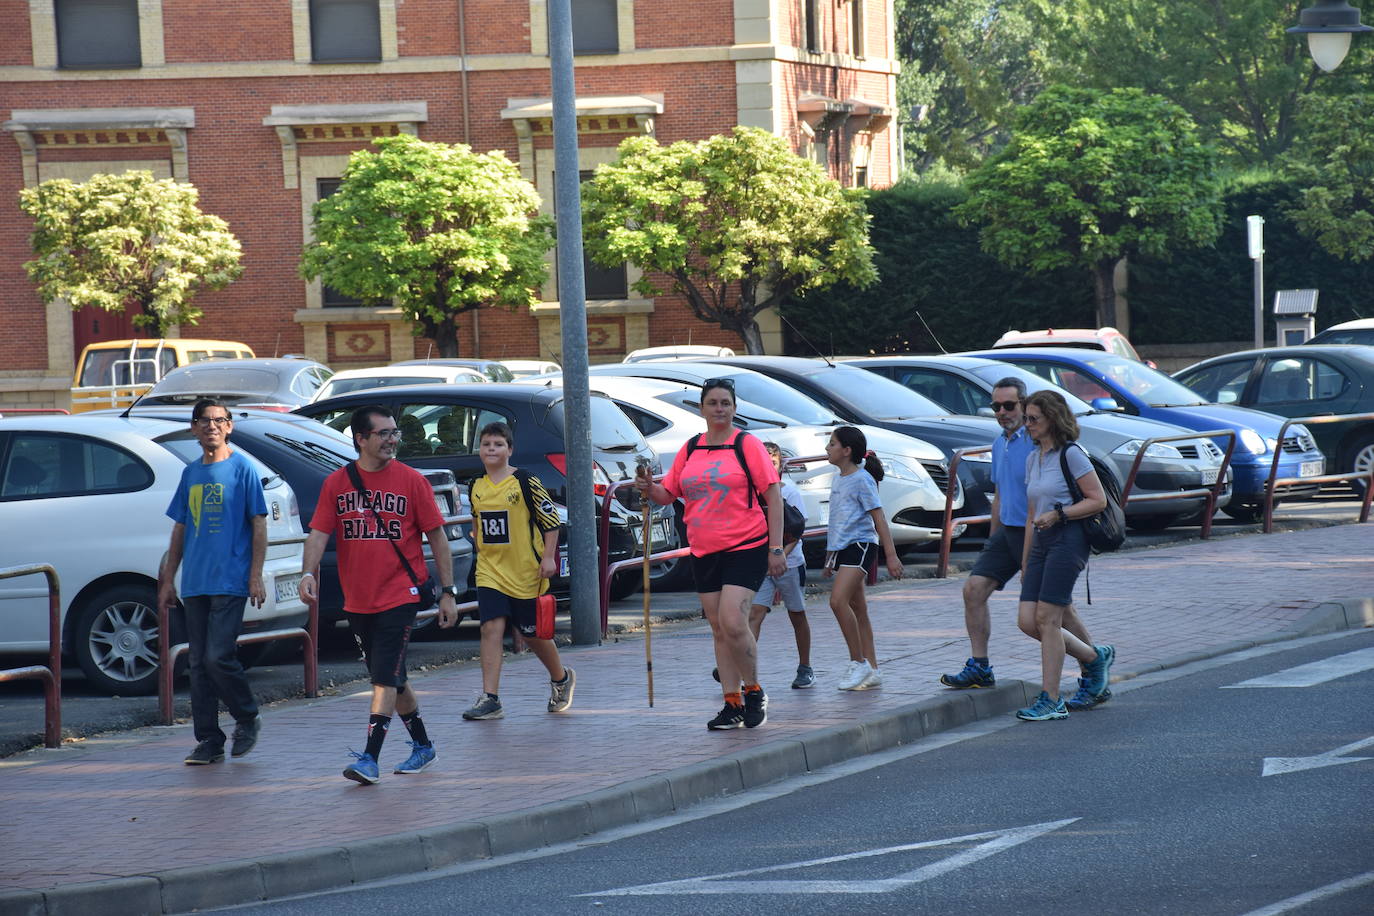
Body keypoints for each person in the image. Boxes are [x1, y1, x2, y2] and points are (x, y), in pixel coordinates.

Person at [299, 405, 459, 783]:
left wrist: (448, 592)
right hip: (358, 599)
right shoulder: (337, 484)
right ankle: (423, 746)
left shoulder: (411, 481)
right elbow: (319, 533)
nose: (392, 440)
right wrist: (307, 572)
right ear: (361, 438)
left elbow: (438, 536)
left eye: (394, 433)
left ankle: (369, 758)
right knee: (393, 675)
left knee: (383, 678)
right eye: (383, 433)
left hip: (400, 594)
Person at [636, 378, 786, 730]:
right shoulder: (691, 448)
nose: (719, 409)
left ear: (734, 408)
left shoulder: (746, 445)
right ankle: (731, 702)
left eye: (725, 403)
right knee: (719, 628)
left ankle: (754, 692)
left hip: (745, 545)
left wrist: (776, 547)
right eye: (713, 403)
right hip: (704, 548)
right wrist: (648, 487)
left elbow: (774, 497)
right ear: (701, 409)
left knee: (734, 621)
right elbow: (668, 494)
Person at [940, 379, 1095, 693]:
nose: (1001, 412)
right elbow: (1000, 493)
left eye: (1009, 405)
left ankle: (1091, 668)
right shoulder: (1001, 443)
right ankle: (980, 666)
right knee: (973, 590)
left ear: (1025, 406)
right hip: (1008, 532)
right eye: (996, 406)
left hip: (1043, 532)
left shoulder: (1038, 440)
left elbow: (1052, 496)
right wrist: (993, 537)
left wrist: (1044, 531)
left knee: (1058, 611)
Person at [159, 399, 266, 766]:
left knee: (219, 657)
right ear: (194, 428)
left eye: (219, 420)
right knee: (199, 665)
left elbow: (258, 524)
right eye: (204, 421)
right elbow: (180, 528)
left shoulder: (242, 469)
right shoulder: (190, 473)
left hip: (231, 580)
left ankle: (247, 716)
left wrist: (255, 575)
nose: (212, 427)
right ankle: (209, 740)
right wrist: (168, 578)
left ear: (230, 427)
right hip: (195, 583)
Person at [456, 421, 574, 720]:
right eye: (486, 445)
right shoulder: (476, 485)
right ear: (479, 450)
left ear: (509, 449)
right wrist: (478, 544)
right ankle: (490, 698)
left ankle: (561, 678)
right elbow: (476, 520)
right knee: (490, 628)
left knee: (532, 634)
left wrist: (549, 558)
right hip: (490, 571)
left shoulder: (525, 481)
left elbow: (551, 522)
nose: (491, 449)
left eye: (498, 444)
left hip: (526, 572)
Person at [1015, 390, 1116, 721]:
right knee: (1028, 622)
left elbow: (1097, 499)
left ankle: (1052, 698)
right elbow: (1032, 512)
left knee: (1048, 619)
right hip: (1042, 541)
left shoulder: (1070, 454)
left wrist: (1060, 515)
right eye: (1026, 418)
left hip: (1068, 539)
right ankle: (1093, 657)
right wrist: (1025, 561)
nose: (1026, 424)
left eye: (1033, 419)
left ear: (1053, 419)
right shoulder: (1034, 458)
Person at [823, 426, 903, 691]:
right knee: (859, 609)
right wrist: (829, 557)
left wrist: (890, 557)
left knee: (837, 601)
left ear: (847, 451)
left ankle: (858, 662)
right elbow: (838, 521)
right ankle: (873, 669)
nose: (827, 448)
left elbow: (878, 517)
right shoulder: (838, 478)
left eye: (832, 444)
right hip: (844, 548)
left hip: (861, 546)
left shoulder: (861, 479)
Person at [748, 442, 813, 690]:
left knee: (796, 613)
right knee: (754, 614)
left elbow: (797, 532)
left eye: (773, 462)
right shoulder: (752, 492)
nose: (768, 467)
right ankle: (746, 668)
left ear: (780, 465)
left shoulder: (790, 492)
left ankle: (805, 667)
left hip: (790, 564)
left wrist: (780, 557)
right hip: (761, 567)